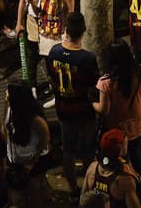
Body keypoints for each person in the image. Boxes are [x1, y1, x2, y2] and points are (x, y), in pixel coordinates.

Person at [47, 11, 100, 199]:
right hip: (84, 111)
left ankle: (72, 190)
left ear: (66, 30)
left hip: (63, 109)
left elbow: (51, 80)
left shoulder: (54, 52)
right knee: (88, 151)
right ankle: (90, 190)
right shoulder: (87, 58)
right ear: (83, 31)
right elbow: (94, 86)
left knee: (68, 152)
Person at [97, 41, 141, 180]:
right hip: (137, 120)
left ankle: (127, 185)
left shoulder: (106, 82)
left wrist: (92, 104)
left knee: (121, 160)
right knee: (137, 154)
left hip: (118, 126)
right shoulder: (139, 71)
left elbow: (104, 109)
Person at [4, 82, 51, 206]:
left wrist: (32, 161)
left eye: (8, 92)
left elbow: (45, 138)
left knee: (35, 191)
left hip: (33, 160)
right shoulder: (9, 106)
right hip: (15, 158)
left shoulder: (34, 118)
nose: (6, 94)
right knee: (18, 196)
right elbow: (5, 127)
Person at [85, 128, 141, 208]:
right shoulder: (125, 179)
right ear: (119, 148)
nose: (127, 145)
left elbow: (83, 200)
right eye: (126, 143)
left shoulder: (92, 168)